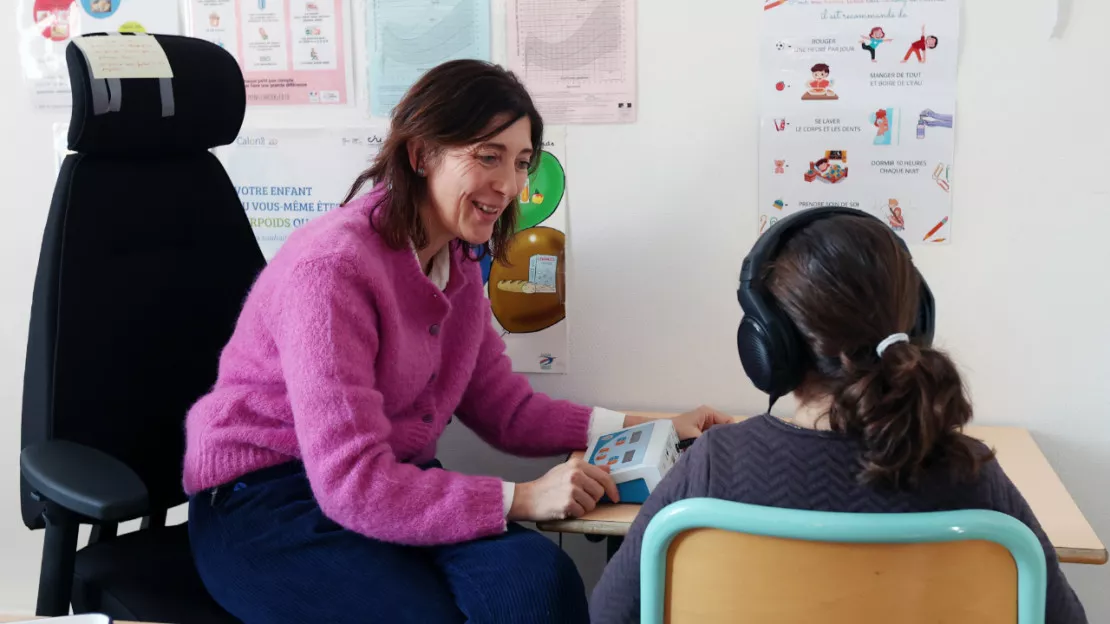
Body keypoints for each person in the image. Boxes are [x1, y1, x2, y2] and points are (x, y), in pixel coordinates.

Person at [182, 59, 729, 624]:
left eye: (521, 163)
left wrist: (651, 425)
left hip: (390, 482)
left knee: (538, 583)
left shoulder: (458, 262)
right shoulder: (332, 271)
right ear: (421, 155)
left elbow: (505, 410)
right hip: (266, 502)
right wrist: (521, 498)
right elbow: (351, 482)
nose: (509, 185)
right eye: (487, 156)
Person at [590, 210, 1087, 624]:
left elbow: (610, 615)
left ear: (768, 344)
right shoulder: (972, 476)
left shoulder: (716, 465)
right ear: (915, 324)